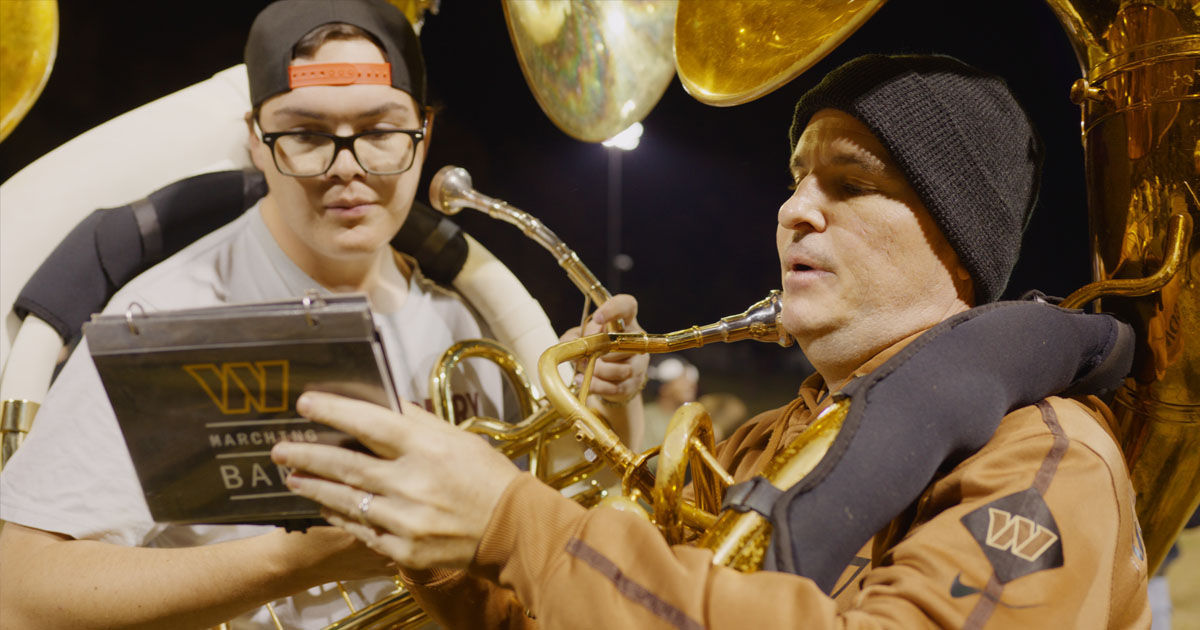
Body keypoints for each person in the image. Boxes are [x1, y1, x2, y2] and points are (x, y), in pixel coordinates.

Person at [269, 53, 1153, 629]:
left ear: (958, 247)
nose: (795, 209)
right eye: (798, 178)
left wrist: (515, 524)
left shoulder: (1046, 455)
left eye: (850, 183)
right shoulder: (770, 439)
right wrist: (441, 538)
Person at [0, 1, 646, 628]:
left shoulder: (462, 318)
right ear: (257, 140)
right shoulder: (165, 318)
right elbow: (20, 595)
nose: (348, 170)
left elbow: (554, 532)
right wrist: (304, 559)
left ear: (423, 137)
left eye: (381, 131)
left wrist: (604, 405)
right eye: (308, 134)